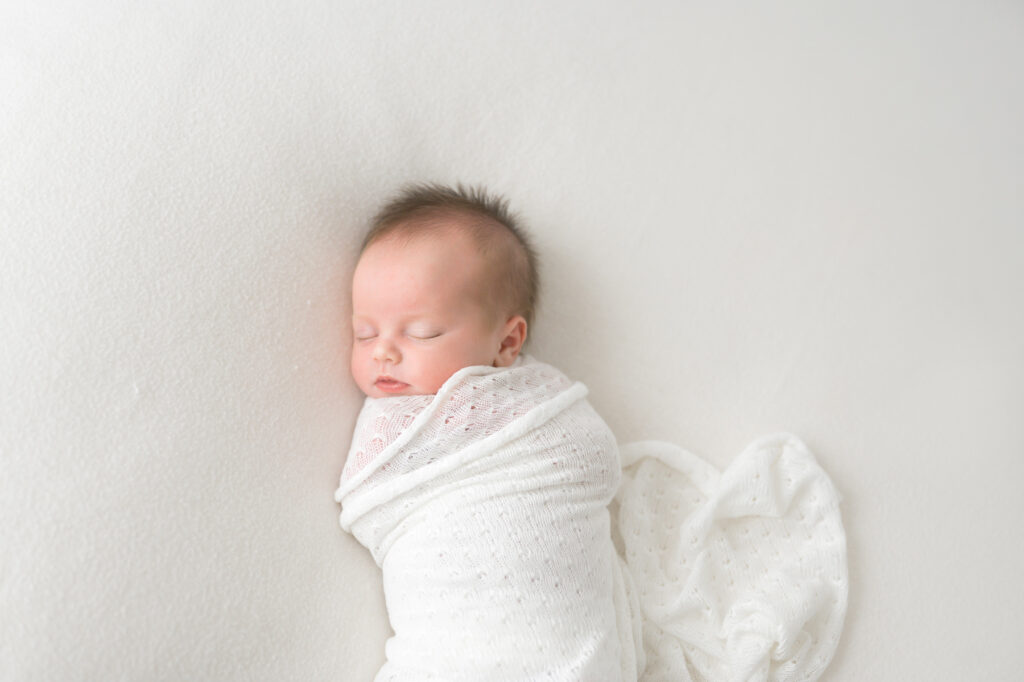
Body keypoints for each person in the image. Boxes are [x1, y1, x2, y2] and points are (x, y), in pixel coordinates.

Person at [339, 183, 635, 681]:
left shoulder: (538, 406)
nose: (383, 352)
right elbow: (373, 503)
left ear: (507, 341)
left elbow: (587, 458)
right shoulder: (397, 434)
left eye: (423, 332)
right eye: (364, 333)